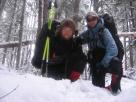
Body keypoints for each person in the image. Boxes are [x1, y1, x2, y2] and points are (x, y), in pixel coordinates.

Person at [76, 11, 122, 94]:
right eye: (88, 19)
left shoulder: (104, 31)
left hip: (106, 62)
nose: (91, 21)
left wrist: (103, 64)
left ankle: (114, 89)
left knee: (116, 64)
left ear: (97, 19)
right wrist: (75, 38)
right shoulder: (89, 33)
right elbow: (79, 39)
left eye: (93, 18)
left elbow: (113, 49)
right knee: (98, 89)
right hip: (96, 63)